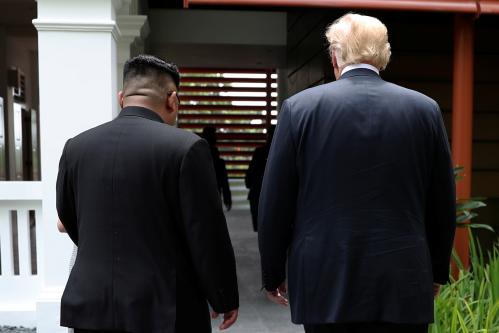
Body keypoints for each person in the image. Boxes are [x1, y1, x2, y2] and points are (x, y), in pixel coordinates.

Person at [258, 13, 456, 333]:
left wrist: (272, 273)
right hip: (403, 278)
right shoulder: (424, 110)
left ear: (335, 56)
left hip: (324, 278)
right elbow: (442, 203)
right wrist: (435, 271)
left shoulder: (299, 109)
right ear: (384, 55)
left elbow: (275, 202)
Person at [56, 55, 239, 333]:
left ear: (122, 97)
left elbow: (69, 216)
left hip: (91, 307)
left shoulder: (77, 147)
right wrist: (222, 295)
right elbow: (206, 234)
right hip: (165, 308)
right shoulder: (186, 148)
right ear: (172, 99)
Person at [245, 126, 275, 231]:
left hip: (257, 193)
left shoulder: (259, 152)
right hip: (271, 194)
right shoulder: (281, 152)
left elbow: (251, 173)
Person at [201, 126, 232, 211]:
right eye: (214, 135)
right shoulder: (218, 161)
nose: (216, 137)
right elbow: (224, 182)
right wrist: (227, 199)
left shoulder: (196, 158)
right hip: (214, 197)